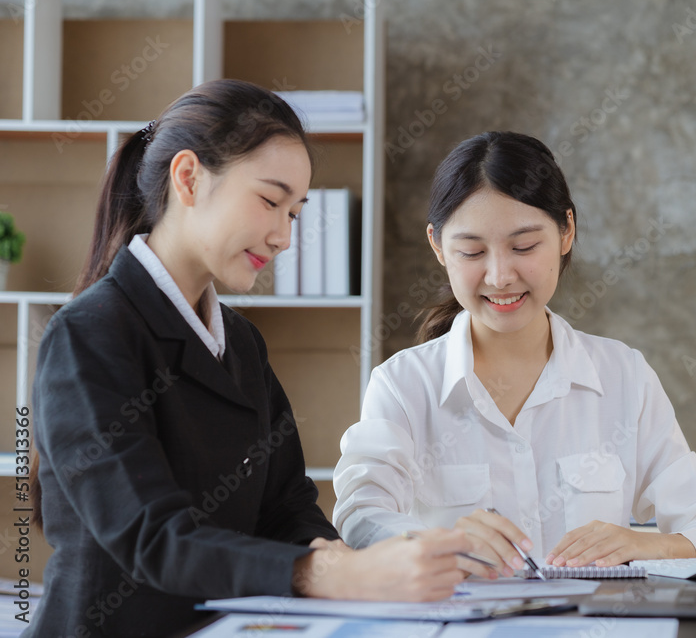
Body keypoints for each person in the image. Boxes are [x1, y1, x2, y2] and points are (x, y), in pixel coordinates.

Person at [26, 79, 469, 638]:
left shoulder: (240, 341)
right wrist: (328, 574)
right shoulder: (89, 335)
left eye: (295, 212)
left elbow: (286, 507)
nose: (284, 236)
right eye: (269, 200)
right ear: (188, 178)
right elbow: (152, 538)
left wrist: (363, 565)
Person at [332, 131, 696, 580]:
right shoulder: (404, 385)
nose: (500, 275)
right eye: (471, 251)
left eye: (524, 247)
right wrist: (435, 543)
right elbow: (359, 517)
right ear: (437, 247)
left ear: (566, 231)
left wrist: (646, 543)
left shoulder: (624, 376)